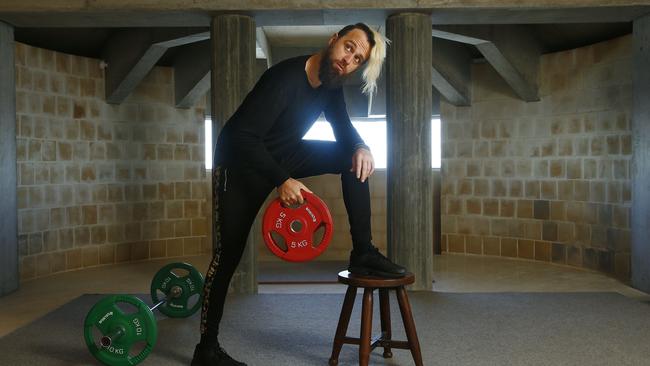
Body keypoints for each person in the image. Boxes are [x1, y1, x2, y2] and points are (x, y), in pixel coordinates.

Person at [192, 23, 407, 366]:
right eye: (348, 48)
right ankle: (206, 349)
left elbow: (343, 129)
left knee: (352, 159)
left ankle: (363, 251)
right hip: (240, 162)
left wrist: (361, 146)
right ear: (333, 39)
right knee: (227, 256)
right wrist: (283, 179)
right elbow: (243, 138)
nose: (349, 60)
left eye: (358, 59)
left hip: (283, 152)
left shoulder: (331, 85)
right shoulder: (285, 79)